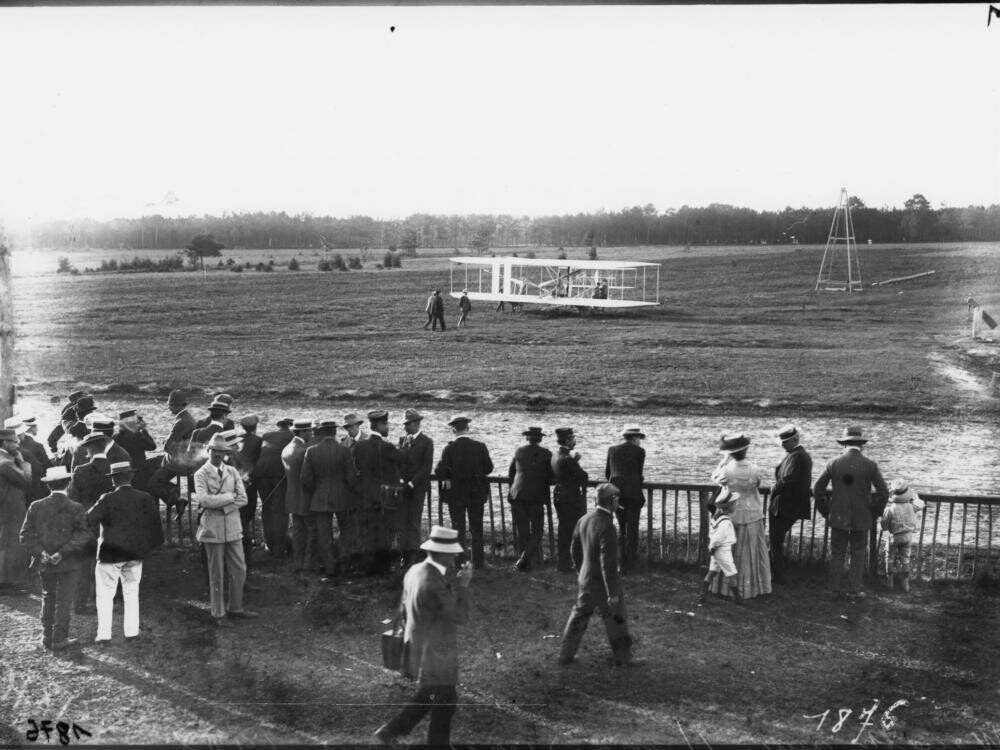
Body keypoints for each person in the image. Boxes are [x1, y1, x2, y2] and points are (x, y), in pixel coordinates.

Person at [374, 525, 473, 746]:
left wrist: (454, 584)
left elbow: (408, 605)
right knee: (445, 700)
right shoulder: (435, 583)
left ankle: (390, 731)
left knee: (430, 696)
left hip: (418, 646)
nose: (456, 554)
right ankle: (436, 745)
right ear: (443, 553)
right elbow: (459, 615)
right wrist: (464, 586)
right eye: (453, 551)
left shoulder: (415, 571)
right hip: (437, 653)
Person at [86, 461, 164, 644]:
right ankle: (131, 633)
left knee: (105, 594)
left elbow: (89, 518)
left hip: (109, 554)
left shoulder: (107, 498)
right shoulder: (145, 498)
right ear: (132, 476)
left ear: (113, 480)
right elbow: (156, 529)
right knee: (131, 592)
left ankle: (104, 635)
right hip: (134, 553)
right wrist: (147, 548)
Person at [558, 483, 633, 667]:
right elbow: (608, 565)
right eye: (618, 499)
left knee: (579, 616)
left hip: (586, 579)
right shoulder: (607, 526)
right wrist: (613, 593)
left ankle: (565, 655)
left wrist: (581, 571)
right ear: (613, 501)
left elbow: (574, 550)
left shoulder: (584, 519)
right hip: (601, 583)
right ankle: (623, 658)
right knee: (616, 618)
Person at [813, 426, 889, 600]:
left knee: (838, 552)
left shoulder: (833, 463)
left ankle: (834, 589)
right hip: (862, 517)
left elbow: (818, 488)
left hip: (838, 515)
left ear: (844, 444)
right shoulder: (870, 465)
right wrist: (874, 513)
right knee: (858, 552)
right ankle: (853, 589)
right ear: (861, 444)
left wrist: (826, 511)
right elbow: (884, 492)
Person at [19, 466, 91, 650]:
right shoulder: (76, 507)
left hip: (44, 562)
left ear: (48, 485)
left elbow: (25, 535)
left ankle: (46, 636)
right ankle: (59, 639)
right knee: (64, 599)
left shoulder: (36, 506)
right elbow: (83, 535)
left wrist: (41, 553)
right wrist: (63, 552)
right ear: (68, 483)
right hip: (68, 561)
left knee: (48, 596)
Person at [193, 435, 257, 625]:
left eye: (222, 451)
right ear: (208, 451)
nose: (218, 455)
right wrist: (230, 497)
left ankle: (236, 608)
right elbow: (204, 500)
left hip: (233, 528)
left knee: (239, 570)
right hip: (212, 530)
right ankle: (218, 613)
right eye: (215, 451)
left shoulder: (232, 471)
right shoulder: (201, 474)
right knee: (217, 574)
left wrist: (222, 505)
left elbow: (243, 498)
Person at [709, 434, 772, 600]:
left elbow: (714, 477)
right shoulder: (755, 469)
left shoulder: (726, 471)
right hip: (752, 513)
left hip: (732, 513)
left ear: (731, 453)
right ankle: (754, 586)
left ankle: (726, 587)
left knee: (730, 550)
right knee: (752, 550)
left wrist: (724, 460)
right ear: (745, 450)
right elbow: (757, 484)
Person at [301, 418, 358, 582]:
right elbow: (351, 478)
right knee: (346, 531)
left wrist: (317, 490)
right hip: (342, 497)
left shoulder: (311, 451)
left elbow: (305, 479)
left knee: (324, 534)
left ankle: (330, 568)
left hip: (320, 498)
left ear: (320, 432)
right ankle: (344, 565)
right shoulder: (344, 451)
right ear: (334, 432)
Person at [435, 415, 493, 569]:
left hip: (456, 495)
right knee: (477, 528)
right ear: (468, 428)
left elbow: (439, 469)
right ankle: (479, 562)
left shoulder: (449, 449)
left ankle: (460, 561)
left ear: (454, 430)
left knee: (457, 528)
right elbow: (489, 468)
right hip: (476, 493)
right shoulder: (480, 447)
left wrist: (447, 476)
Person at [354, 410, 406, 576]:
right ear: (380, 425)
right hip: (384, 497)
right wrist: (403, 447)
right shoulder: (387, 446)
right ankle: (382, 568)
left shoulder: (360, 446)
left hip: (366, 496)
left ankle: (368, 566)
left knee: (369, 532)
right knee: (385, 533)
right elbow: (403, 459)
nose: (388, 427)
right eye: (386, 424)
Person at [67, 432, 111, 613]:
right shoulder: (115, 468)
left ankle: (80, 603)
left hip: (87, 522)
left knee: (84, 565)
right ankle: (107, 601)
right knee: (108, 564)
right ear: (106, 447)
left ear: (90, 450)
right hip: (110, 524)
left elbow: (72, 499)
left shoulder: (81, 470)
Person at [769, 424, 813, 584]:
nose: (782, 444)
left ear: (795, 439)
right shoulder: (798, 455)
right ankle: (774, 572)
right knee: (775, 542)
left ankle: (778, 577)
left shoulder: (797, 456)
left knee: (775, 542)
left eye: (786, 441)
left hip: (785, 506)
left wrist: (775, 487)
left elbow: (790, 479)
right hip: (787, 506)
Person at [508, 426, 553, 573]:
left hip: (518, 494)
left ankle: (524, 565)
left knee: (523, 531)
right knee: (538, 531)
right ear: (540, 439)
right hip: (536, 495)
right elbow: (551, 476)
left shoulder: (518, 451)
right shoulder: (546, 454)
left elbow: (511, 472)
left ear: (527, 438)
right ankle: (522, 561)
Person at [605, 424, 646, 575]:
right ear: (635, 438)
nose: (640, 441)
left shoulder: (612, 450)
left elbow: (608, 473)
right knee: (632, 529)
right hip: (634, 494)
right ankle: (631, 564)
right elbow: (639, 473)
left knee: (621, 529)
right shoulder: (640, 451)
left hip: (617, 494)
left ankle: (621, 563)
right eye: (639, 438)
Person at [252, 417, 294, 559]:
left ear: (279, 426)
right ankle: (279, 550)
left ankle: (269, 545)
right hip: (277, 474)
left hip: (260, 472)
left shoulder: (267, 435)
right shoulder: (292, 436)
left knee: (267, 507)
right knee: (280, 511)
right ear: (290, 426)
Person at [397, 409, 433, 569]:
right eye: (405, 424)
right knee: (402, 521)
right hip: (404, 486)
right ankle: (404, 556)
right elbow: (399, 463)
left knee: (413, 522)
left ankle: (413, 555)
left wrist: (412, 484)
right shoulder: (402, 440)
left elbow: (426, 468)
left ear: (417, 424)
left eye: (408, 424)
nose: (405, 427)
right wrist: (401, 481)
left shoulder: (427, 442)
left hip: (417, 488)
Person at [0, 428, 33, 594]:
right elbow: (26, 481)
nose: (18, 443)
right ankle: (7, 583)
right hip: (11, 507)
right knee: (11, 543)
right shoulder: (6, 462)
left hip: (6, 506)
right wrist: (23, 463)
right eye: (14, 441)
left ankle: (7, 581)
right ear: (5, 442)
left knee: (6, 542)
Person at [551, 427, 589, 573]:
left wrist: (574, 461)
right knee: (574, 530)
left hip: (559, 495)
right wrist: (576, 462)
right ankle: (574, 563)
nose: (575, 441)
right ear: (567, 440)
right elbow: (583, 477)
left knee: (563, 530)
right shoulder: (567, 459)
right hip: (570, 497)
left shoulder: (555, 456)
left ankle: (562, 564)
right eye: (573, 438)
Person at [283, 419, 317, 574]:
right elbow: (307, 477)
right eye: (309, 431)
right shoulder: (304, 450)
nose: (312, 433)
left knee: (297, 531)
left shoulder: (287, 448)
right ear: (303, 432)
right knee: (311, 530)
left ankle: (298, 562)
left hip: (292, 497)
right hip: (306, 497)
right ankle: (308, 563)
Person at [880, 479, 925, 592]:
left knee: (889, 557)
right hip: (908, 536)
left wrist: (888, 495)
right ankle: (905, 585)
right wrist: (915, 496)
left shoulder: (889, 509)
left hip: (894, 537)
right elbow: (921, 504)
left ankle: (890, 582)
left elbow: (884, 526)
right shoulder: (911, 506)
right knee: (905, 558)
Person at [700, 487, 742, 605]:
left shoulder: (717, 518)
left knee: (712, 572)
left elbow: (712, 533)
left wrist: (712, 549)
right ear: (728, 507)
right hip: (722, 550)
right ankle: (737, 598)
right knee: (732, 573)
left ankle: (703, 595)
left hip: (716, 551)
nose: (736, 506)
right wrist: (713, 547)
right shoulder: (725, 523)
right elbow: (718, 538)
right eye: (734, 504)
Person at [112, 409, 157, 491]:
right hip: (139, 473)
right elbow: (152, 446)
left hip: (121, 472)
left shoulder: (115, 437)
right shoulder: (139, 436)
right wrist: (144, 430)